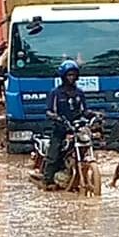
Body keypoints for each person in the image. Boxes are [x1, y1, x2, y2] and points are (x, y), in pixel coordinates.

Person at [43, 60, 97, 190]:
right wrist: (56, 117)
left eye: (73, 75)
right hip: (60, 129)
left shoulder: (79, 93)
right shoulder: (56, 93)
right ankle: (47, 181)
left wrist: (95, 115)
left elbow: (84, 110)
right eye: (69, 75)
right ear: (63, 77)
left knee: (87, 145)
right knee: (53, 155)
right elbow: (49, 111)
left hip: (77, 129)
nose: (71, 78)